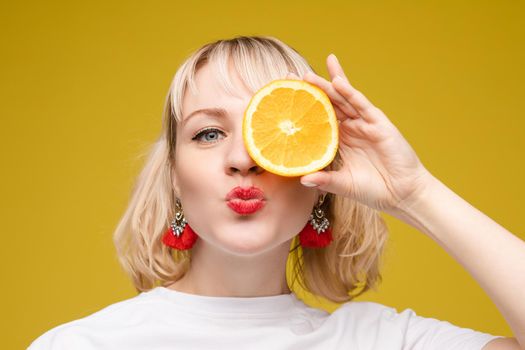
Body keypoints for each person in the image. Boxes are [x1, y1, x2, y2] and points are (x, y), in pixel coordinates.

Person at [28, 35, 524, 349]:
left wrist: (414, 193)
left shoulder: (384, 341)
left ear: (322, 182)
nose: (242, 159)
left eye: (273, 135)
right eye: (208, 133)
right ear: (175, 179)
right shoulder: (81, 344)